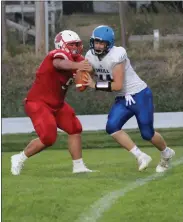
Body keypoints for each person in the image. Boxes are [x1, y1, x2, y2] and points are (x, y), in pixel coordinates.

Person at [84, 25, 175, 173]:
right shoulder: (90, 55)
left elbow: (117, 85)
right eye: (96, 42)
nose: (98, 45)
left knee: (147, 134)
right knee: (112, 127)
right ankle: (140, 156)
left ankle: (166, 153)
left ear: (109, 44)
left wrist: (94, 85)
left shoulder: (117, 55)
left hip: (139, 95)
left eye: (102, 43)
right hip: (122, 98)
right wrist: (82, 73)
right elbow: (93, 69)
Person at [11, 30, 94, 175]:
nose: (75, 47)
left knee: (75, 128)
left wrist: (88, 73)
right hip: (38, 102)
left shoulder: (77, 60)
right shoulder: (56, 55)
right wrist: (79, 67)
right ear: (61, 45)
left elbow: (82, 81)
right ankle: (19, 157)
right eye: (71, 44)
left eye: (77, 44)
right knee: (48, 138)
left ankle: (78, 166)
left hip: (58, 104)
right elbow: (59, 63)